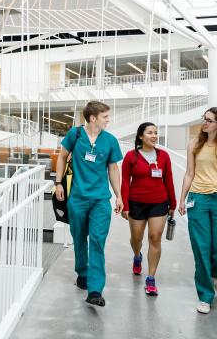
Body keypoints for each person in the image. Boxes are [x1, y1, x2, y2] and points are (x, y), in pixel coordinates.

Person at [55, 101, 123, 307]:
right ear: (93, 118)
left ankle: (95, 289)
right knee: (79, 238)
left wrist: (119, 196)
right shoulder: (75, 135)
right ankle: (82, 272)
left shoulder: (110, 140)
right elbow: (62, 157)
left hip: (101, 200)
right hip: (77, 199)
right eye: (105, 117)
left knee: (97, 241)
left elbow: (113, 169)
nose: (108, 120)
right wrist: (58, 183)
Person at [121, 122, 176, 295]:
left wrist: (172, 203)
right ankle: (137, 256)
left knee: (155, 237)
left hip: (159, 202)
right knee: (136, 239)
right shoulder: (131, 156)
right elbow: (124, 182)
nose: (154, 136)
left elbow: (168, 180)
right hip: (136, 202)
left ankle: (151, 278)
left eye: (156, 133)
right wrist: (125, 204)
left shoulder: (164, 156)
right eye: (150, 133)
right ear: (140, 136)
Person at [179, 107, 217, 314]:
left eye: (210, 121)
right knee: (201, 248)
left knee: (216, 248)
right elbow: (189, 173)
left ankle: (213, 275)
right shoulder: (194, 143)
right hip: (198, 199)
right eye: (204, 119)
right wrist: (182, 199)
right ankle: (205, 296)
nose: (205, 123)